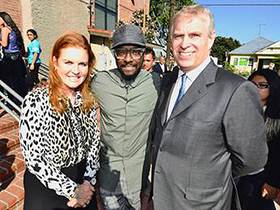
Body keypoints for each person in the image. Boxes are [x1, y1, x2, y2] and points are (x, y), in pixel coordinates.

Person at [148, 5, 268, 210]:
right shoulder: (167, 82)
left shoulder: (236, 89)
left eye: (194, 35)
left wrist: (211, 178)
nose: (184, 43)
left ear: (211, 39)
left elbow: (252, 160)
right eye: (178, 36)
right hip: (160, 200)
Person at [19, 32, 100, 210]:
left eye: (82, 64)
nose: (76, 70)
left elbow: (94, 145)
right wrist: (72, 191)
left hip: (83, 183)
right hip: (46, 188)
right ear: (55, 63)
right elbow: (34, 159)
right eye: (68, 62)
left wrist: (87, 182)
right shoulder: (36, 100)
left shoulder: (88, 100)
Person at [91, 24, 158, 210]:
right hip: (109, 178)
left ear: (144, 54)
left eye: (135, 52)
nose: (128, 59)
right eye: (121, 52)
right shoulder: (99, 82)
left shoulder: (156, 83)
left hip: (139, 179)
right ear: (114, 54)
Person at [237, 69, 280, 210]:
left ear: (273, 87)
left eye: (262, 85)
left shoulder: (276, 118)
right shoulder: (236, 109)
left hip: (262, 178)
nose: (256, 89)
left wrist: (273, 182)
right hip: (236, 173)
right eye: (252, 84)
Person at [0, 12, 27, 99]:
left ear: (3, 20)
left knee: (10, 82)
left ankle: (13, 101)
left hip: (9, 58)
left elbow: (4, 44)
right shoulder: (12, 29)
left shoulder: (4, 30)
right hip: (16, 57)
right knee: (18, 82)